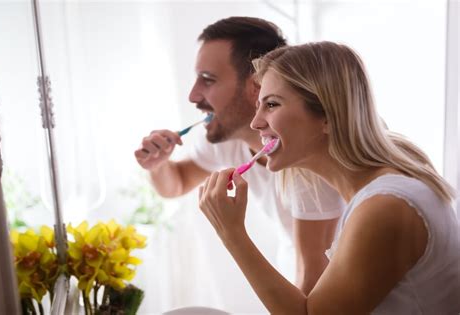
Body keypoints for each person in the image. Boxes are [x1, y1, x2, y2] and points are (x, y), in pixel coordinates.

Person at [198, 41, 460, 314]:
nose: (256, 122)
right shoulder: (387, 181)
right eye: (259, 105)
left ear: (328, 116)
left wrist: (232, 233)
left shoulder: (386, 207)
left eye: (272, 104)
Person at [134, 17, 345, 294]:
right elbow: (177, 182)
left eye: (208, 80)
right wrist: (158, 166)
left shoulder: (306, 158)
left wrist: (230, 232)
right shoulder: (228, 135)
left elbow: (314, 280)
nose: (193, 95)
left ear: (257, 85)